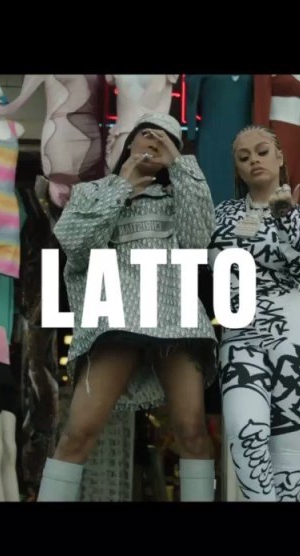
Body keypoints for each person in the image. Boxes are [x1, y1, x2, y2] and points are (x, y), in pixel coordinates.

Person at [38, 112, 219, 502]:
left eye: (168, 140)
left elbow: (197, 242)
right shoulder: (93, 191)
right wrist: (121, 187)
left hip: (177, 316)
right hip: (114, 316)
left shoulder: (181, 194)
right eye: (148, 134)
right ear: (130, 141)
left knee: (192, 431)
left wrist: (181, 166)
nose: (155, 142)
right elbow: (78, 246)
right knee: (79, 431)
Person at [207, 125, 300, 502]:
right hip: (240, 334)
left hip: (297, 333)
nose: (254, 161)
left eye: (262, 152)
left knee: (286, 451)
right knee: (244, 434)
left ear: (280, 157)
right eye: (243, 157)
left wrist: (284, 221)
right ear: (237, 168)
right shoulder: (221, 214)